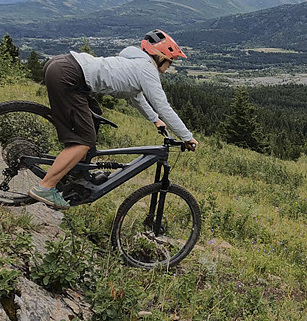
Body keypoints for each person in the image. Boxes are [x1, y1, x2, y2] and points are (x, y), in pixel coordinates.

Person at [28, 29, 198, 209]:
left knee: (94, 114)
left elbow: (136, 96)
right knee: (84, 141)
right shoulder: (147, 69)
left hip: (63, 66)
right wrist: (187, 137)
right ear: (160, 56)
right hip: (69, 75)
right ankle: (45, 187)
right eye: (170, 61)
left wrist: (154, 120)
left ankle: (76, 171)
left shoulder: (136, 63)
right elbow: (164, 107)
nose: (170, 65)